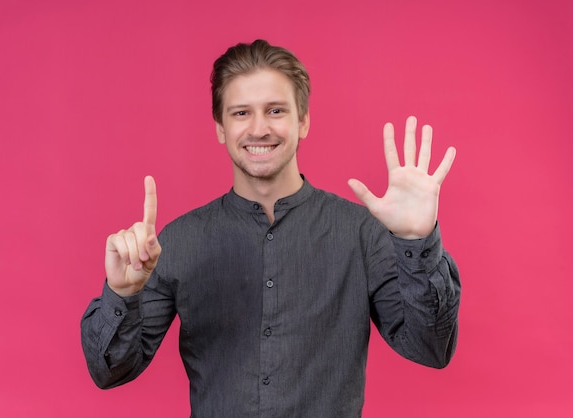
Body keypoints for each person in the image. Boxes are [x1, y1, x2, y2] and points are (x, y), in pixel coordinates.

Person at [81, 39, 461, 417]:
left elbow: (430, 348)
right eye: (241, 113)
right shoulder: (179, 241)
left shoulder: (363, 233)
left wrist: (416, 243)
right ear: (220, 128)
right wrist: (122, 293)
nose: (259, 129)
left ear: (303, 120)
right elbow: (110, 371)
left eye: (275, 110)